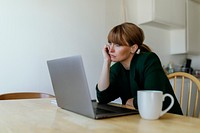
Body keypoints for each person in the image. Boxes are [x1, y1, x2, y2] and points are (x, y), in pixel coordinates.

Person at [96, 22, 183, 115]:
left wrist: (131, 102)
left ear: (133, 48)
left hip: (167, 118)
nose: (111, 49)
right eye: (110, 43)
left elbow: (152, 98)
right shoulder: (117, 68)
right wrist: (106, 61)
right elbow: (102, 98)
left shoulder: (149, 60)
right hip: (139, 118)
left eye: (118, 45)